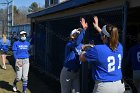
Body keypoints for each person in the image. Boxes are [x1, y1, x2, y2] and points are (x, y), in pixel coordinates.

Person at [80, 16, 125, 93]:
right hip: (120, 86)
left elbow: (81, 58)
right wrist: (97, 27)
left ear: (104, 36)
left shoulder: (97, 49)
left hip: (105, 87)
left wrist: (84, 49)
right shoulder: (119, 46)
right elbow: (109, 36)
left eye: (102, 35)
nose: (101, 36)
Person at [60, 17, 88, 93]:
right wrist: (84, 30)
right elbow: (76, 43)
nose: (78, 34)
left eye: (78, 34)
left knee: (76, 91)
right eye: (76, 34)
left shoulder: (82, 45)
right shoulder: (69, 44)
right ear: (72, 36)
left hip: (76, 72)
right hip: (67, 72)